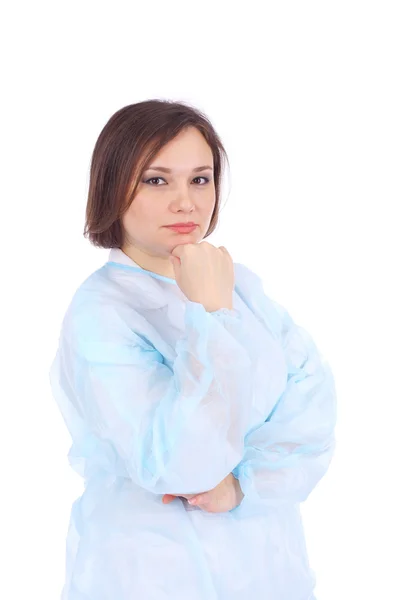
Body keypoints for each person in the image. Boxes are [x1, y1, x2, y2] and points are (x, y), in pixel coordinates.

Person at [49, 99, 337, 600]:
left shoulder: (237, 285)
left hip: (269, 567)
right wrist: (211, 316)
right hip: (152, 573)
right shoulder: (101, 313)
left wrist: (243, 485)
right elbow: (178, 463)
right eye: (157, 180)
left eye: (200, 179)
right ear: (113, 186)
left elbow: (313, 403)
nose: (186, 202)